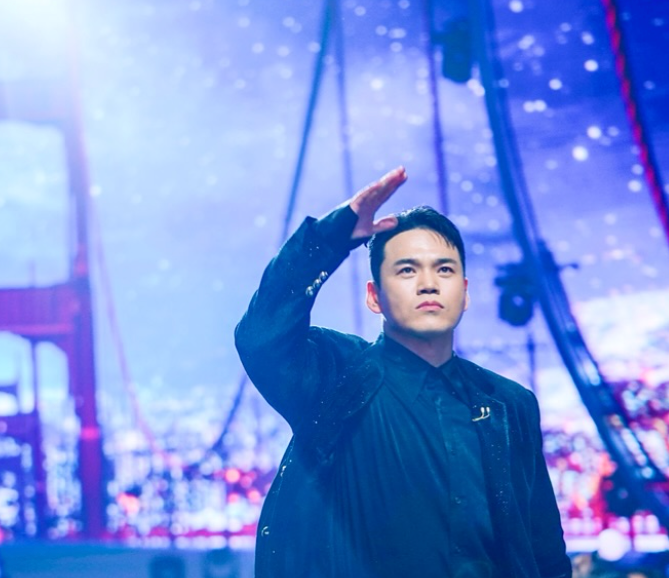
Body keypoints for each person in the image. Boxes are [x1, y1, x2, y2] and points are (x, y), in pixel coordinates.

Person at [235, 167, 571, 578]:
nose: (429, 284)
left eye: (444, 270)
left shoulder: (509, 404)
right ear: (374, 296)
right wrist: (331, 238)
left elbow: (544, 552)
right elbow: (261, 335)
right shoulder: (335, 378)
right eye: (407, 270)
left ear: (465, 293)